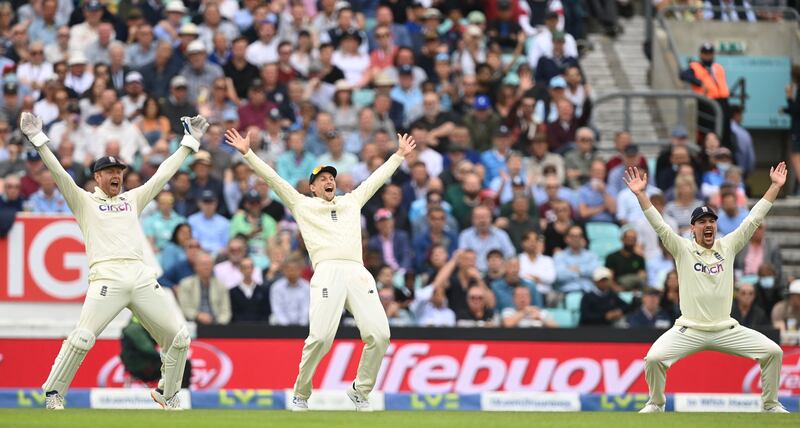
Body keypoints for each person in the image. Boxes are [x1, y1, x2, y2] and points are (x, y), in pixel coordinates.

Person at [22, 112, 209, 410]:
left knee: (180, 337)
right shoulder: (84, 201)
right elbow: (59, 174)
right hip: (106, 278)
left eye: (119, 170)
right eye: (109, 171)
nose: (116, 175)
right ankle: (54, 393)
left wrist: (190, 142)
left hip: (140, 276)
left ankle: (168, 394)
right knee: (83, 337)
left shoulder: (131, 199)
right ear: (97, 177)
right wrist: (38, 139)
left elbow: (162, 175)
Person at [224, 127, 416, 412]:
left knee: (380, 335)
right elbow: (273, 179)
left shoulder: (352, 201)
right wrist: (248, 154)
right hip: (327, 272)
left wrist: (399, 155)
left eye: (331, 178)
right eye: (322, 179)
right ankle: (301, 394)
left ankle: (360, 391)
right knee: (322, 337)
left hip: (358, 272)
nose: (328, 181)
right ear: (312, 187)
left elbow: (376, 180)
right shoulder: (302, 204)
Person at [624, 163, 788, 413]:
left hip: (726, 328)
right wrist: (641, 194)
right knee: (655, 359)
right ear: (693, 228)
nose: (708, 225)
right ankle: (656, 404)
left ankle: (770, 404)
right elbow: (659, 225)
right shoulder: (682, 249)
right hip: (689, 329)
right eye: (701, 222)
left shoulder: (728, 246)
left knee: (773, 352)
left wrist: (775, 186)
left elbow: (753, 219)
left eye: (711, 220)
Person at [177, 252, 232, 326]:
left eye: (209, 264)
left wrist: (220, 323)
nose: (206, 267)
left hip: (217, 324)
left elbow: (226, 311)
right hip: (193, 324)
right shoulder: (186, 284)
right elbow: (185, 308)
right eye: (203, 264)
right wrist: (198, 315)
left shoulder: (221, 285)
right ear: (195, 267)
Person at [270, 257, 311, 326]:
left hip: (303, 326)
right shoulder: (276, 287)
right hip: (281, 326)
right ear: (284, 270)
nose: (291, 272)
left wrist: (301, 326)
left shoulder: (307, 286)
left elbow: (306, 309)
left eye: (294, 269)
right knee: (273, 318)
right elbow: (277, 309)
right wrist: (288, 328)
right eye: (288, 269)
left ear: (300, 270)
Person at [229, 257, 271, 323]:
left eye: (250, 267)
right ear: (240, 270)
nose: (248, 270)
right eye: (244, 268)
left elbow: (266, 312)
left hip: (261, 329)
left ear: (253, 269)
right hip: (239, 329)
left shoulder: (263, 290)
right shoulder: (233, 292)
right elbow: (234, 313)